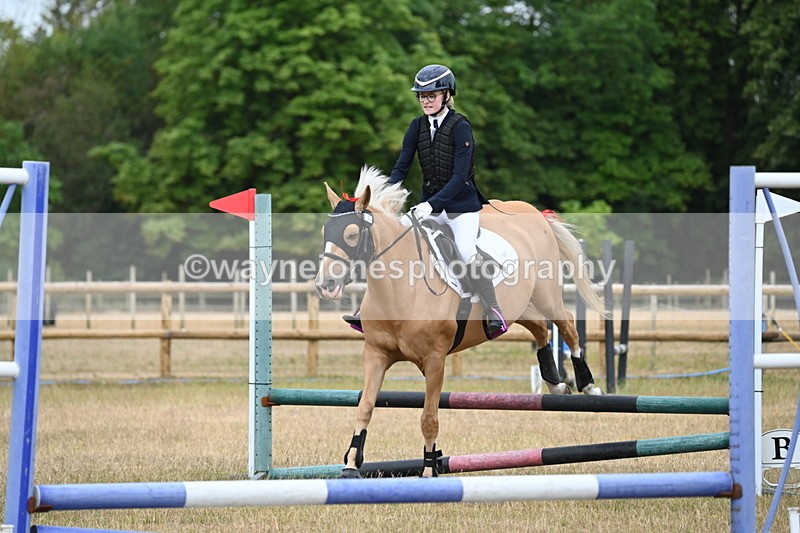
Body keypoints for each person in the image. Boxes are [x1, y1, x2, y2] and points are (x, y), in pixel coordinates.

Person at [343, 64, 507, 339]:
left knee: (466, 252)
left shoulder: (461, 127)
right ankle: (366, 310)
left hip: (460, 208)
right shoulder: (416, 126)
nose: (426, 101)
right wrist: (380, 194)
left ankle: (493, 310)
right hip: (428, 205)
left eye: (432, 95)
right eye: (422, 96)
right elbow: (402, 167)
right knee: (394, 244)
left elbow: (459, 176)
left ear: (447, 95)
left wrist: (433, 204)